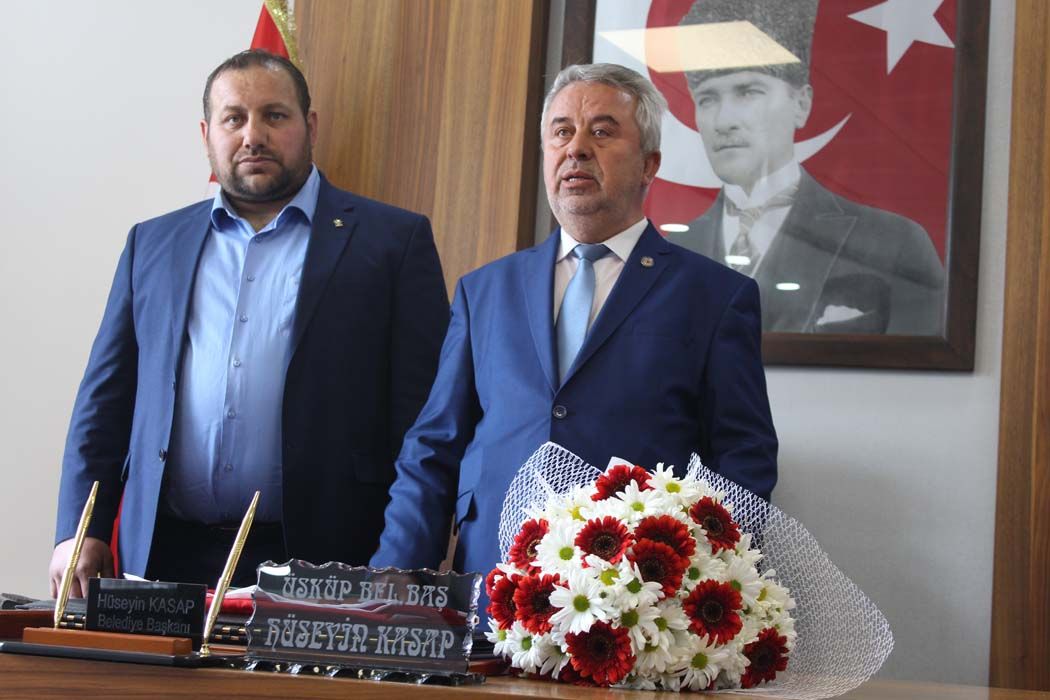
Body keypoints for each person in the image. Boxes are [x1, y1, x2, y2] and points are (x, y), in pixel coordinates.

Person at [371, 63, 777, 605]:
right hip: (493, 584)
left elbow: (743, 458)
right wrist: (395, 571)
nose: (577, 148)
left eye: (602, 131)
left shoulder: (715, 296)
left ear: (649, 164)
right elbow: (435, 445)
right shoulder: (484, 290)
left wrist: (710, 583)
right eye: (561, 132)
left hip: (637, 600)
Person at [49, 49, 449, 597]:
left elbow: (425, 421)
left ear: (310, 126)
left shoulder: (392, 243)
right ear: (207, 134)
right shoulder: (153, 244)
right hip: (165, 555)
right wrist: (81, 529)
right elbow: (105, 400)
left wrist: (402, 559)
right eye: (233, 118)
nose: (252, 135)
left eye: (274, 116)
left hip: (328, 560)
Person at [667, 0, 945, 335]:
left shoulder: (893, 244)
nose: (723, 121)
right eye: (707, 99)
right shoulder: (669, 253)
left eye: (748, 92)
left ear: (801, 104)